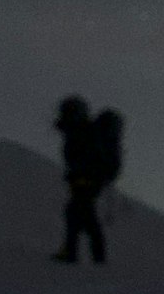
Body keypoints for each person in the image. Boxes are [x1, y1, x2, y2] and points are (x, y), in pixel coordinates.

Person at [51, 94, 124, 265]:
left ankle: (75, 254)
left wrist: (80, 173)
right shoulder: (84, 132)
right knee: (82, 214)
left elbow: (85, 157)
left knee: (77, 213)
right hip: (88, 180)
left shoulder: (84, 133)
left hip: (86, 180)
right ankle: (89, 256)